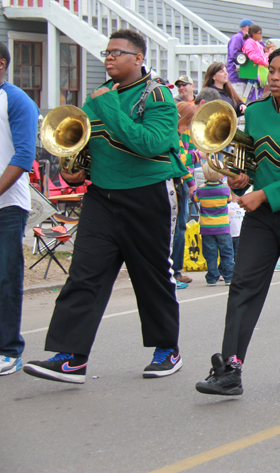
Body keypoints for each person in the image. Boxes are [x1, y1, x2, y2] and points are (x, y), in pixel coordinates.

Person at [24, 29, 187, 384]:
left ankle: (167, 350)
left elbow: (151, 143)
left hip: (147, 194)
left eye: (117, 52)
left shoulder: (157, 94)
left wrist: (108, 104)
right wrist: (74, 168)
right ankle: (71, 357)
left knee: (153, 275)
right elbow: (83, 145)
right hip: (101, 195)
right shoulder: (98, 99)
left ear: (138, 58)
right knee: (84, 274)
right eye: (107, 52)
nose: (109, 57)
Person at [195, 46, 280, 396]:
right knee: (243, 285)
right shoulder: (254, 112)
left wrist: (263, 193)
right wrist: (240, 178)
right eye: (271, 70)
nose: (273, 76)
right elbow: (252, 162)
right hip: (263, 214)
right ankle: (230, 368)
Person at [0, 41, 39, 376]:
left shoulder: (16, 100)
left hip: (8, 206)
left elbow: (23, 157)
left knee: (5, 278)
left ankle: (9, 350)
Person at [172, 101, 200, 286]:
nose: (189, 127)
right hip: (175, 183)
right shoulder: (174, 134)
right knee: (177, 227)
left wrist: (190, 182)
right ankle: (173, 271)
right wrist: (198, 156)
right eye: (188, 122)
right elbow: (180, 159)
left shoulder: (183, 133)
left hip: (182, 181)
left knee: (181, 226)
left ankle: (176, 269)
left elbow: (185, 160)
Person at [197, 163, 235, 287]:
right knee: (227, 253)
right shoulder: (225, 189)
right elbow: (229, 200)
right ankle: (229, 276)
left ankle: (212, 278)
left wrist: (201, 186)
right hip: (223, 227)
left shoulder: (201, 191)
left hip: (207, 229)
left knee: (210, 254)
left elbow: (194, 198)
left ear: (204, 174)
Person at [239, 25, 268, 101]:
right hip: (256, 69)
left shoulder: (256, 43)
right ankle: (262, 98)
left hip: (260, 68)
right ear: (253, 34)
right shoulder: (249, 43)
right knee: (268, 80)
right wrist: (264, 63)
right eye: (259, 33)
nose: (261, 35)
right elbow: (252, 56)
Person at [226, 18, 253, 87]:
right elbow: (234, 55)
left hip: (244, 77)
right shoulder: (237, 37)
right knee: (237, 96)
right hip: (236, 76)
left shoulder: (246, 39)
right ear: (247, 28)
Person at [228, 195, 244, 264]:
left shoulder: (243, 205)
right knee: (228, 255)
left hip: (239, 234)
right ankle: (226, 271)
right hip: (229, 234)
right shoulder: (227, 205)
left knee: (238, 255)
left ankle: (237, 271)